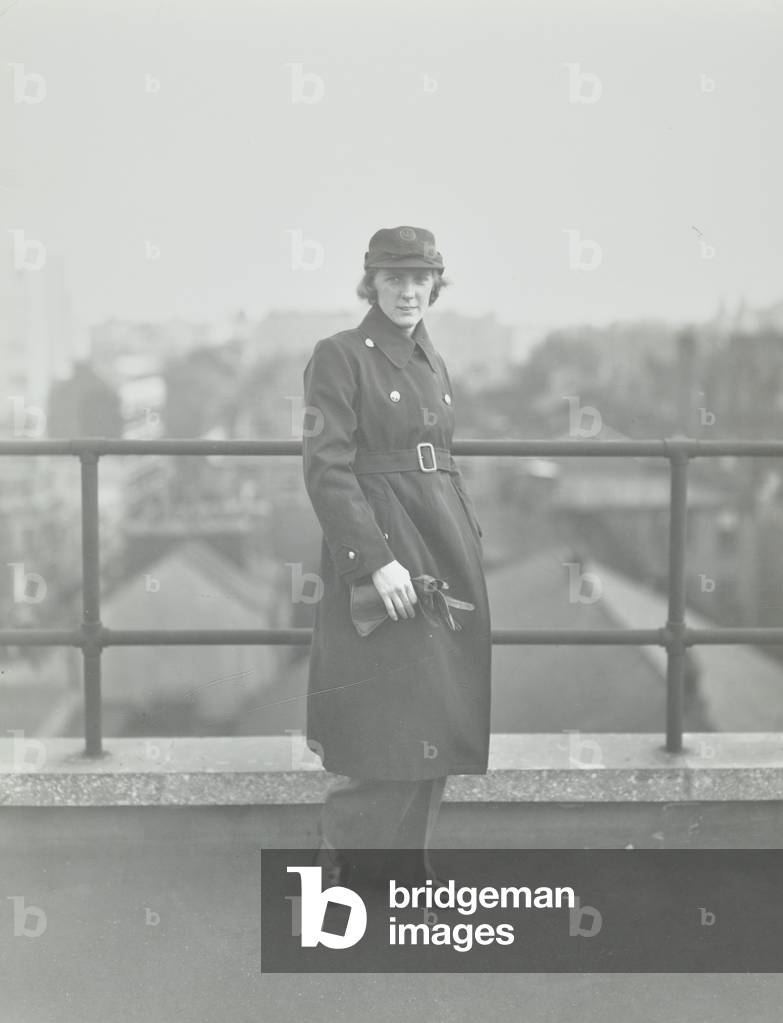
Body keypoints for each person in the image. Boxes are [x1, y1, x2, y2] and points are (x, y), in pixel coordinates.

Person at [301, 225, 492, 887]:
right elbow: (326, 469)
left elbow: (442, 459)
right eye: (394, 278)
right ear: (371, 283)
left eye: (419, 278)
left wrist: (466, 535)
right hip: (388, 552)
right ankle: (339, 886)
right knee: (390, 727)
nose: (408, 290)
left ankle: (406, 880)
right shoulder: (340, 355)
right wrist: (372, 560)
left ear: (435, 283)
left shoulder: (429, 360)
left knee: (435, 720)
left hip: (442, 546)